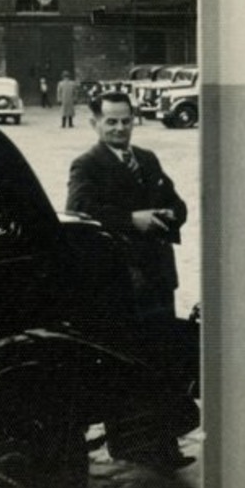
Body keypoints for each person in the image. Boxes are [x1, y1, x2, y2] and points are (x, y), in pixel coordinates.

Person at [67, 91, 188, 322]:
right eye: (111, 122)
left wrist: (171, 214)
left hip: (160, 274)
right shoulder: (86, 165)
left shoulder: (147, 158)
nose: (120, 128)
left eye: (126, 121)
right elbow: (78, 210)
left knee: (166, 344)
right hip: (121, 278)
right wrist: (130, 219)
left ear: (134, 120)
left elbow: (176, 202)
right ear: (95, 124)